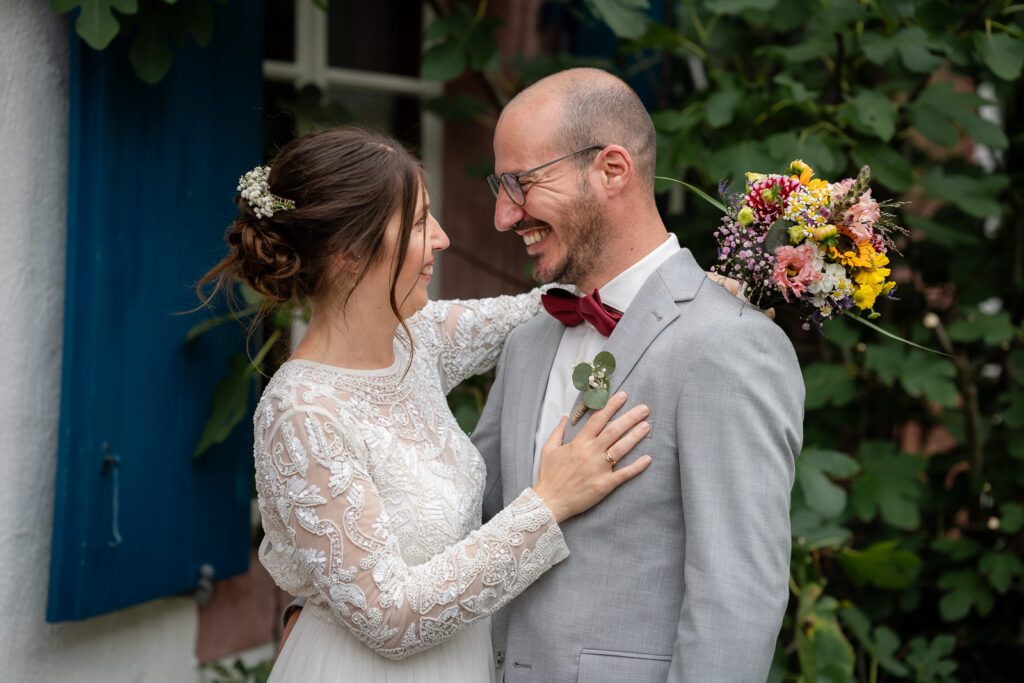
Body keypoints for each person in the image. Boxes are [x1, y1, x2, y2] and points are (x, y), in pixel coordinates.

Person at [198, 126, 654, 682]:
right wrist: (548, 503)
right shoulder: (300, 414)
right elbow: (389, 617)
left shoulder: (418, 337)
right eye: (418, 223)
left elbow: (550, 307)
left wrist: (682, 291)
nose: (441, 238)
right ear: (347, 252)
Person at [473, 68, 804, 681]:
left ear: (612, 169)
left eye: (521, 184)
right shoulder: (525, 345)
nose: (502, 215)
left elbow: (735, 603)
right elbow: (469, 519)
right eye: (500, 185)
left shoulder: (730, 345)